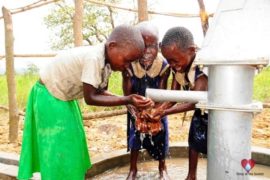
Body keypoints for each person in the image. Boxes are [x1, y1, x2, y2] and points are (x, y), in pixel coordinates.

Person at [18, 25, 154, 180]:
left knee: (73, 143)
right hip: (50, 95)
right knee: (59, 146)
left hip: (64, 97)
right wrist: (127, 99)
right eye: (127, 60)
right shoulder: (94, 58)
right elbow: (91, 98)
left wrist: (128, 103)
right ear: (112, 46)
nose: (127, 66)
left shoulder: (106, 60)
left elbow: (99, 91)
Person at [151, 26, 208, 180]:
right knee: (194, 141)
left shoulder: (202, 66)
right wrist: (158, 109)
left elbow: (194, 101)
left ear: (191, 50)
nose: (172, 65)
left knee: (216, 144)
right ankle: (191, 176)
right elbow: (174, 97)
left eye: (174, 60)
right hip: (202, 109)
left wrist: (164, 112)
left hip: (218, 110)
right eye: (168, 61)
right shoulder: (178, 66)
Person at [122, 21, 171, 180]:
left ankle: (162, 168)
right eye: (143, 46)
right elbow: (127, 97)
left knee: (161, 135)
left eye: (152, 46)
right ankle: (133, 169)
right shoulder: (129, 66)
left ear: (159, 45)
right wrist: (137, 116)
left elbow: (162, 94)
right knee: (135, 135)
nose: (147, 51)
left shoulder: (163, 66)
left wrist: (156, 113)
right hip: (135, 108)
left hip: (157, 109)